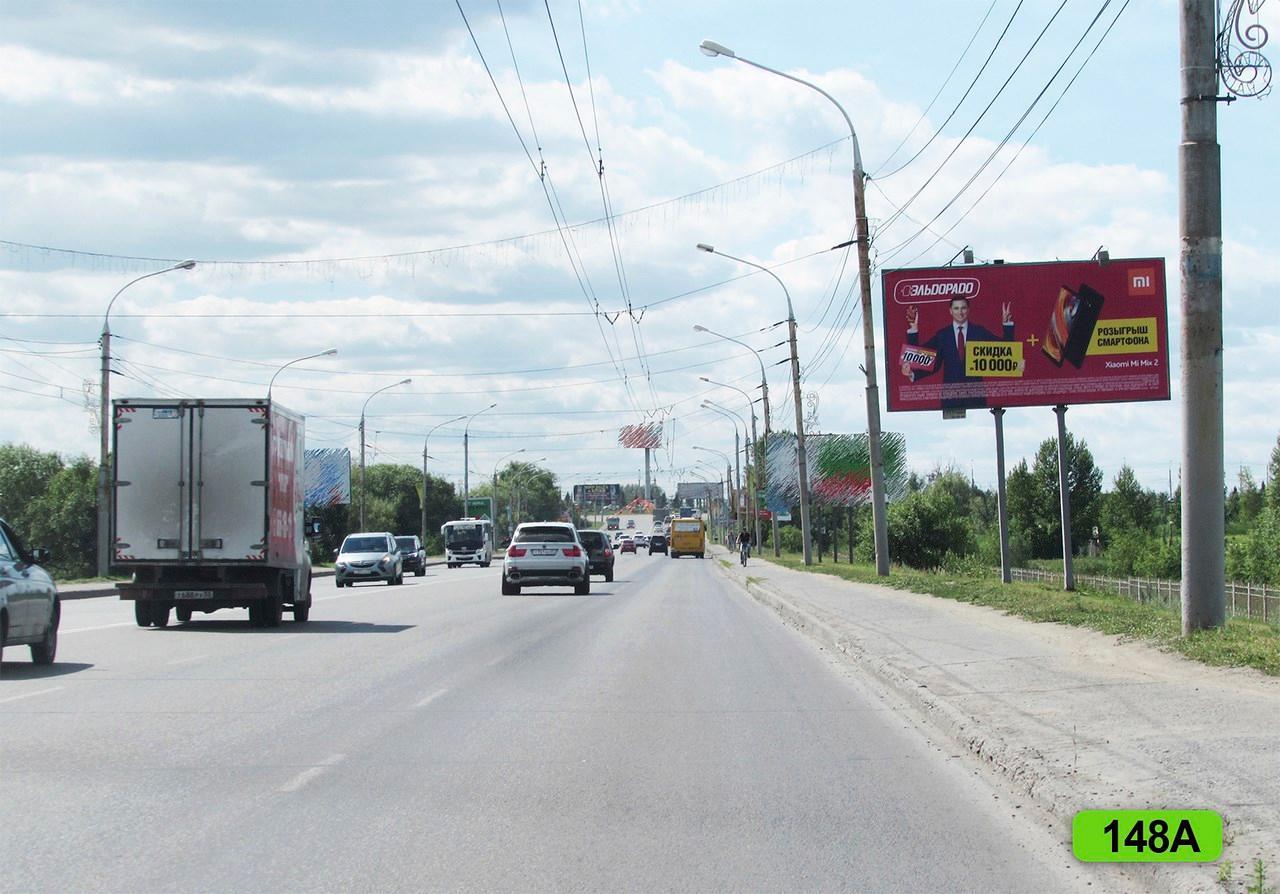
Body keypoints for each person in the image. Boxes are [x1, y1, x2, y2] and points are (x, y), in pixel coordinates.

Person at [901, 297, 1014, 409]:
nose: (960, 312)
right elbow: (927, 359)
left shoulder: (979, 332)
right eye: (956, 308)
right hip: (951, 398)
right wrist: (913, 328)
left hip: (975, 398)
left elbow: (1005, 350)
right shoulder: (943, 335)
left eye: (963, 308)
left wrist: (1007, 324)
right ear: (950, 311)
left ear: (968, 310)